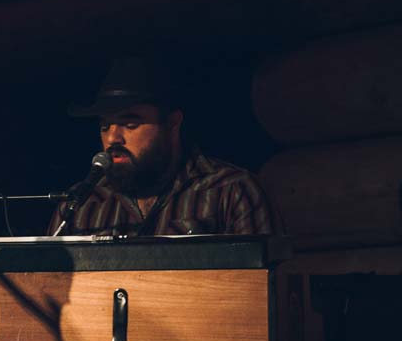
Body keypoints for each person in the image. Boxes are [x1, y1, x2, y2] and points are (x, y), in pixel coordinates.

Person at [48, 58, 280, 237]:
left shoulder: (232, 191)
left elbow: (264, 290)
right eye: (105, 126)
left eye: (130, 123)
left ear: (172, 123)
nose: (113, 138)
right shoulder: (81, 204)